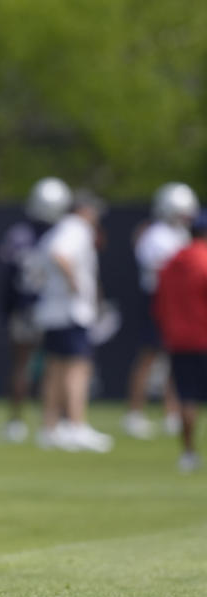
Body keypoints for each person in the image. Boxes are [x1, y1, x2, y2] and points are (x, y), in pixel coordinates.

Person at [31, 189, 113, 452]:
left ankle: (50, 426)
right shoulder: (76, 228)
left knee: (56, 369)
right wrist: (75, 285)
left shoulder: (58, 228)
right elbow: (60, 254)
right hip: (70, 311)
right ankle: (76, 425)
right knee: (77, 368)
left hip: (54, 310)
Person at [0, 177, 72, 442]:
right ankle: (54, 421)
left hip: (24, 308)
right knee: (55, 366)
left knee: (22, 365)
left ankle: (17, 421)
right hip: (51, 308)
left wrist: (5, 310)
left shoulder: (19, 234)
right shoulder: (62, 234)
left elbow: (7, 278)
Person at [122, 183, 199, 439]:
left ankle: (172, 412)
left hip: (179, 303)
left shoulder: (183, 235)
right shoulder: (155, 235)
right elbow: (161, 272)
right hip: (157, 300)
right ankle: (135, 413)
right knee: (148, 356)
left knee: (175, 359)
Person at [153, 210, 207, 472]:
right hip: (203, 336)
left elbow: (159, 303)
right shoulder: (204, 260)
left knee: (186, 397)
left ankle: (188, 453)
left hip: (179, 339)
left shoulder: (172, 261)